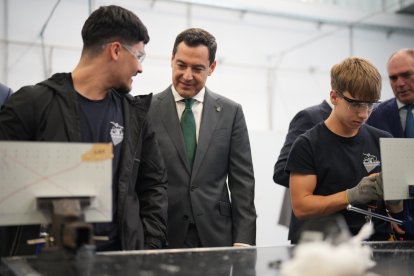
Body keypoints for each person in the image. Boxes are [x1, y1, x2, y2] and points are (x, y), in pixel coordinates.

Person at [0, 5, 168, 256]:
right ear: (115, 50)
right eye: (139, 56)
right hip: (46, 262)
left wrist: (148, 247)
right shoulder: (33, 103)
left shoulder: (134, 115)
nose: (140, 68)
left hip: (119, 262)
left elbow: (154, 185)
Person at [147, 28, 256, 248]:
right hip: (161, 233)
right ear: (171, 60)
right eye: (181, 65)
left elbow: (242, 182)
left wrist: (244, 240)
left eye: (197, 68)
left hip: (216, 235)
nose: (187, 76)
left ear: (212, 68)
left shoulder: (230, 112)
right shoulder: (146, 110)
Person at [285, 56, 394, 244]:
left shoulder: (383, 141)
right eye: (355, 104)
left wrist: (397, 204)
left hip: (377, 244)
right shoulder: (307, 144)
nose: (364, 113)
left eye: (370, 105)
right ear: (334, 97)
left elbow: (394, 205)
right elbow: (302, 207)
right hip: (324, 248)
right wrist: (350, 195)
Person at [366, 48, 414, 239]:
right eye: (393, 78)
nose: (400, 83)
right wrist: (387, 213)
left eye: (407, 75)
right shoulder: (375, 115)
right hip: (391, 222)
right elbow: (369, 167)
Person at [273, 100, 332, 227]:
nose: (363, 113)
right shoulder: (310, 117)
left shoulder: (363, 123)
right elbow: (281, 171)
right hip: (314, 222)